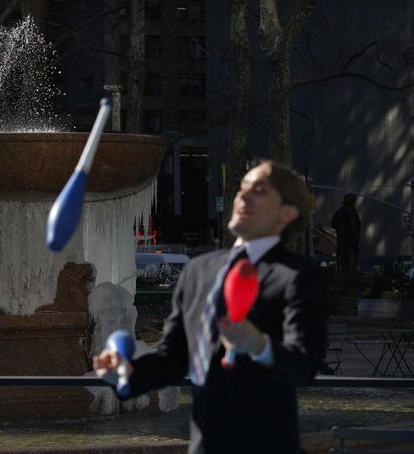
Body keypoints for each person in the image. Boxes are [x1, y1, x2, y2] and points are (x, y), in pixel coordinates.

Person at [94, 161, 327, 454]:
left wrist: (259, 345)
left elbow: (304, 367)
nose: (243, 197)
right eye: (242, 188)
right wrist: (125, 374)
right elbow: (174, 359)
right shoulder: (198, 271)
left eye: (259, 191)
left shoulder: (298, 276)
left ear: (287, 213)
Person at [331, 193, 361, 284]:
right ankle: (348, 283)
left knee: (341, 263)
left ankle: (341, 281)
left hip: (341, 242)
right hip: (350, 242)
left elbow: (333, 224)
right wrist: (355, 241)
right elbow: (353, 227)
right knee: (350, 264)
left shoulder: (339, 211)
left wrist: (341, 229)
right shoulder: (352, 211)